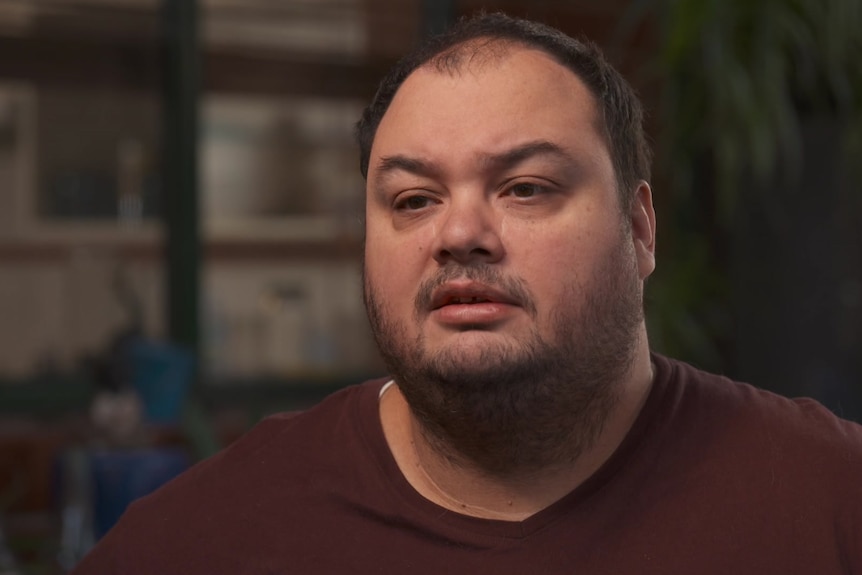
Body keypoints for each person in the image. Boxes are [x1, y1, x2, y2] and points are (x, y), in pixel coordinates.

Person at [72, 12, 862, 574]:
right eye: (413, 200)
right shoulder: (198, 540)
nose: (459, 233)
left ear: (640, 229)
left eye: (523, 187)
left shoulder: (831, 505)